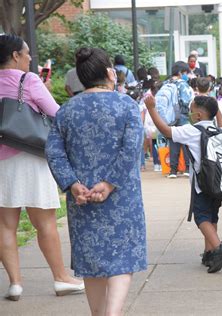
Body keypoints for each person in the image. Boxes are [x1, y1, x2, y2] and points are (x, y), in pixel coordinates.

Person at [45, 47, 147, 315]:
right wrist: (111, 183)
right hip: (122, 196)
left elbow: (54, 151)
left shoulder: (67, 111)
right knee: (122, 260)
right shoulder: (126, 105)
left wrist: (72, 184)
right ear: (108, 72)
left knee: (91, 263)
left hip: (83, 197)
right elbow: (132, 148)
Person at [0, 34, 84, 301]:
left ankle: (15, 284)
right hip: (31, 157)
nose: (29, 59)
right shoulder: (29, 80)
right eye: (26, 54)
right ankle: (61, 279)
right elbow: (56, 113)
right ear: (15, 55)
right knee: (45, 222)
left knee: (5, 224)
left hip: (1, 161)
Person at [144, 94, 222, 273]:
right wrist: (216, 111)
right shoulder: (219, 131)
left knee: (201, 217)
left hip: (202, 185)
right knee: (212, 217)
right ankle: (210, 253)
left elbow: (166, 131)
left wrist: (152, 108)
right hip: (218, 184)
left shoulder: (193, 131)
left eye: (191, 110)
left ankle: (218, 248)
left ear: (198, 116)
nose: (189, 114)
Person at [158, 61, 194, 178]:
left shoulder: (165, 83)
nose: (186, 75)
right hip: (182, 116)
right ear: (180, 72)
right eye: (185, 72)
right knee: (185, 142)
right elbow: (186, 100)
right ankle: (187, 168)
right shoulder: (183, 84)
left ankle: (173, 170)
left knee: (173, 141)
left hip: (169, 117)